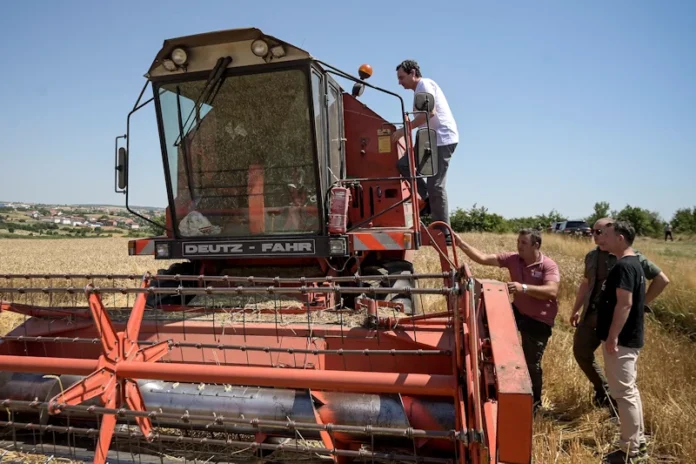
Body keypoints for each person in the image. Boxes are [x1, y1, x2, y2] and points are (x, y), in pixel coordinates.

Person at [454, 228, 560, 411]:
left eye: (524, 243)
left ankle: (534, 404)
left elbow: (552, 291)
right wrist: (461, 243)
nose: (519, 246)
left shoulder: (548, 266)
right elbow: (483, 258)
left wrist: (523, 288)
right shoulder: (513, 259)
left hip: (539, 320)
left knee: (531, 363)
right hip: (518, 310)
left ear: (536, 245)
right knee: (494, 336)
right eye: (518, 242)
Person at [570, 217, 669, 409]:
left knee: (618, 366)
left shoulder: (629, 257)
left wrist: (640, 304)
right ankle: (603, 389)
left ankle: (618, 404)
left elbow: (662, 280)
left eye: (600, 232)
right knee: (581, 352)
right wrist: (576, 309)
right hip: (590, 315)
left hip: (615, 319)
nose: (595, 236)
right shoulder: (591, 256)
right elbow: (586, 283)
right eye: (593, 232)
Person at [595, 221, 649, 463]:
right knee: (629, 392)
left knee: (624, 393)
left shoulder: (625, 266)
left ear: (620, 238)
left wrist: (613, 336)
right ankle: (638, 443)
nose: (600, 238)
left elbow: (624, 303)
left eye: (605, 234)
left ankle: (629, 451)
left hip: (622, 340)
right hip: (627, 339)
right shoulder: (632, 263)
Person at [392, 60, 458, 243]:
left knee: (436, 184)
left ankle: (444, 232)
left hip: (442, 139)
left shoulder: (424, 85)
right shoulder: (418, 90)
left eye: (401, 77)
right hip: (429, 140)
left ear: (413, 72)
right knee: (404, 165)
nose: (399, 82)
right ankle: (427, 199)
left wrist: (404, 131)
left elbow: (429, 114)